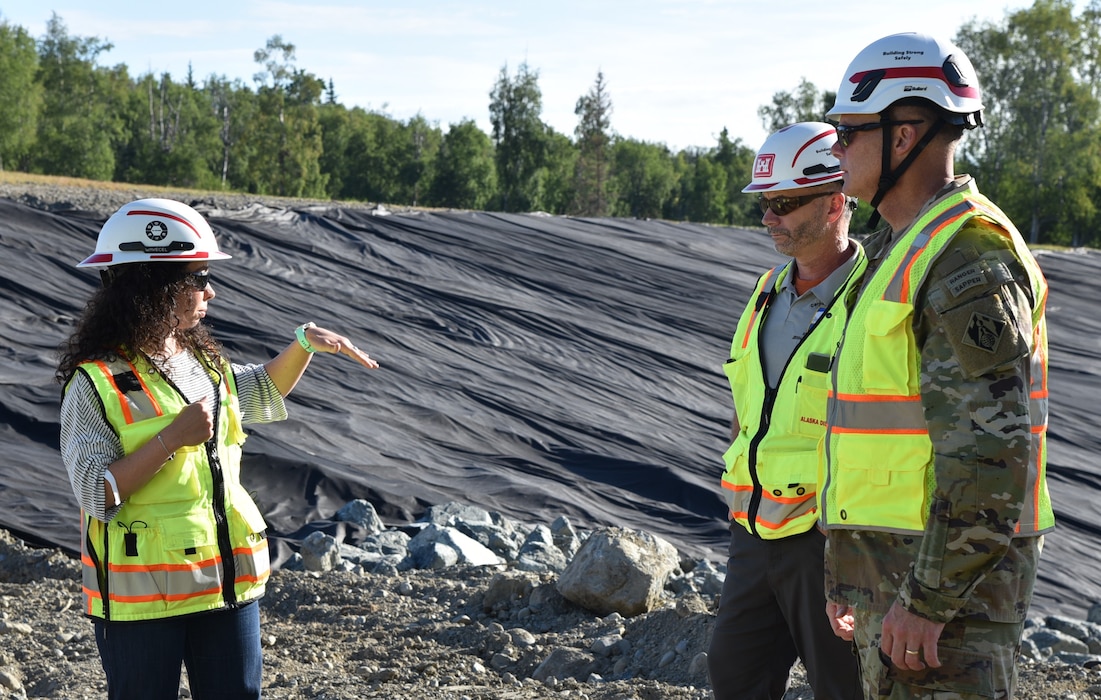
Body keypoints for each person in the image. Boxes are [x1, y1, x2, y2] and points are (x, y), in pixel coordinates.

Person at [56, 198, 379, 700]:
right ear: (152, 285)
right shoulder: (94, 384)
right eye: (196, 277)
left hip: (225, 586)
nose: (210, 289)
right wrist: (170, 438)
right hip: (143, 604)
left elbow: (257, 391)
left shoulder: (199, 362)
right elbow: (97, 496)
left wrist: (305, 345)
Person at [819, 32, 1054, 699]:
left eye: (848, 130)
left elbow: (989, 454)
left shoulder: (965, 260)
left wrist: (926, 600)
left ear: (904, 134)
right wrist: (851, 573)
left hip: (945, 609)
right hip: (898, 586)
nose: (834, 146)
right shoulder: (905, 247)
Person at [708, 122, 865, 699]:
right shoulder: (765, 292)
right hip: (754, 533)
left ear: (834, 203)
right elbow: (749, 406)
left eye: (783, 203)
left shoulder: (873, 302)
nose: (768, 217)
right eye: (765, 203)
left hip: (829, 541)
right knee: (734, 675)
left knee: (842, 687)